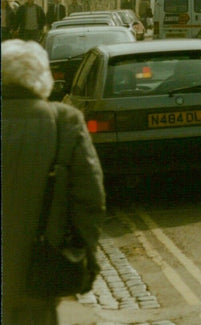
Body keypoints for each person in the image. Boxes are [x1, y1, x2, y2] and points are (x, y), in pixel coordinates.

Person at [1, 39, 106, 325]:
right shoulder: (64, 122)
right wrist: (87, 262)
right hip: (39, 273)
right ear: (40, 77)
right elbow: (89, 200)